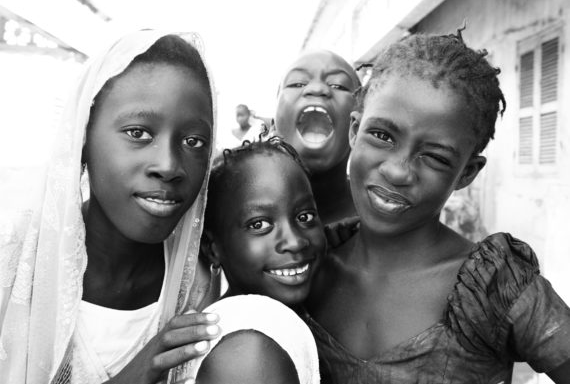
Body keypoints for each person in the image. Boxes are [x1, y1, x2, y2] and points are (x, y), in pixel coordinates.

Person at [305, 30, 570, 383]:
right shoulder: (306, 267)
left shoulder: (494, 288)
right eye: (382, 136)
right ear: (354, 130)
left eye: (434, 157)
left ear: (467, 173)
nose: (398, 171)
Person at [0, 31, 222, 384]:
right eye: (138, 133)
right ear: (83, 136)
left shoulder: (197, 288)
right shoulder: (13, 263)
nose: (168, 165)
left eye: (193, 141)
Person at [170, 138, 324, 384]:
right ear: (212, 248)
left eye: (304, 217)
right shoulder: (248, 348)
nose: (295, 242)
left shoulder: (278, 321)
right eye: (259, 224)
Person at [274, 50, 360, 224]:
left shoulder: (381, 217)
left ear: (358, 124)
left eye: (339, 85)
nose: (317, 89)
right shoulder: (237, 205)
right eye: (297, 83)